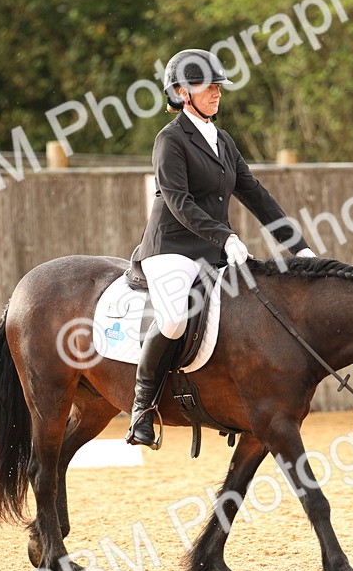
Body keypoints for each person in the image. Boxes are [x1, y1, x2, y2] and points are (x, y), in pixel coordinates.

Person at [124, 48, 316, 448]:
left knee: (252, 309)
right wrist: (225, 236)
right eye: (207, 86)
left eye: (218, 86)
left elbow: (256, 195)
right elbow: (179, 201)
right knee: (174, 320)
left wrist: (299, 248)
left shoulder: (223, 141)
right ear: (181, 93)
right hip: (171, 248)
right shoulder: (169, 140)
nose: (216, 92)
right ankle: (142, 407)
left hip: (213, 251)